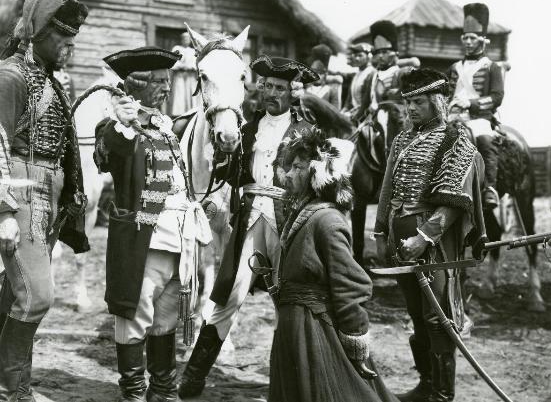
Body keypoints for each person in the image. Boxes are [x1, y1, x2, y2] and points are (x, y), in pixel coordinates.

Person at [178, 55, 320, 399]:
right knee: (229, 295)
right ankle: (194, 377)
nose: (271, 93)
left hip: (287, 222)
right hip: (250, 219)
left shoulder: (307, 131)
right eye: (267, 86)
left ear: (292, 93)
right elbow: (232, 172)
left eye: (280, 88)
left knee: (290, 300)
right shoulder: (248, 126)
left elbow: (319, 183)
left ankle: (296, 382)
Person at [94, 46, 212, 402]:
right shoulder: (117, 127)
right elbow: (110, 153)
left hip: (178, 243)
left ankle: (163, 393)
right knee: (135, 318)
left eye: (167, 81)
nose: (165, 88)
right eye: (158, 82)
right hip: (143, 244)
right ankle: (133, 394)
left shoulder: (165, 128)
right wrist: (124, 123)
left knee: (166, 321)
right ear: (136, 86)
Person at [374, 68, 485, 402]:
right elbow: (386, 188)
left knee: (438, 317)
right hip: (399, 238)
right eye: (408, 102)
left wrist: (423, 237)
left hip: (433, 245)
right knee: (415, 316)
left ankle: (442, 394)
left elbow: (454, 203)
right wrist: (381, 232)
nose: (411, 109)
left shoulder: (456, 140)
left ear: (436, 102)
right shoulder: (401, 139)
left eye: (418, 102)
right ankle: (425, 383)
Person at [0, 0, 89, 401]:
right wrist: (3, 212)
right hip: (20, 192)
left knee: (13, 295)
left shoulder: (49, 80)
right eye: (62, 37)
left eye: (73, 38)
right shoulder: (12, 77)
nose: (70, 45)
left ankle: (13, 385)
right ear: (36, 32)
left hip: (47, 197)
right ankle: (12, 390)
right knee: (36, 296)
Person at [269, 127, 398, 402]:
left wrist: (355, 340)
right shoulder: (303, 213)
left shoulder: (328, 222)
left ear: (316, 174)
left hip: (314, 333)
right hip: (295, 329)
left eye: (298, 167)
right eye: (289, 167)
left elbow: (351, 285)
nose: (288, 175)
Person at [447, 3, 505, 209]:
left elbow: (497, 97)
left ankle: (490, 188)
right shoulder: (455, 67)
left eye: (473, 38)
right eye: (465, 38)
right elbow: (447, 92)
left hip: (480, 117)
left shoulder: (491, 66)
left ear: (482, 40)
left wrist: (470, 103)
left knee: (486, 141)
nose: (468, 42)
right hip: (454, 116)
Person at [341, 42, 376, 122]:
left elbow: (366, 101)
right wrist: (343, 111)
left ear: (368, 57)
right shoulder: (357, 74)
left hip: (366, 116)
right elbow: (349, 99)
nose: (357, 58)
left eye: (360, 55)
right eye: (356, 56)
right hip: (354, 113)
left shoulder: (371, 73)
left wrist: (356, 117)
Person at [166, 31, 199, 116]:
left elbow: (196, 63)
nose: (186, 40)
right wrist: (181, 66)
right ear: (181, 40)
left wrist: (191, 66)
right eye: (184, 39)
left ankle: (190, 112)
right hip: (180, 75)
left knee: (190, 93)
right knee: (180, 94)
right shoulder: (177, 49)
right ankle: (178, 113)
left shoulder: (193, 51)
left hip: (190, 76)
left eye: (188, 39)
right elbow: (172, 62)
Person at [306, 44, 342, 110]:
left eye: (320, 73)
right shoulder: (306, 86)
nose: (317, 75)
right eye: (314, 72)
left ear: (325, 74)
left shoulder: (332, 88)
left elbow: (336, 111)